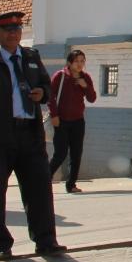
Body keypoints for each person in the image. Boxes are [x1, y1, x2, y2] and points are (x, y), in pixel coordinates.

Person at [0, 12, 66, 259]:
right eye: (8, 29)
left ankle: (46, 241)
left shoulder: (31, 57)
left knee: (39, 190)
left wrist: (41, 93)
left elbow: (47, 87)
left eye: (18, 28)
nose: (14, 33)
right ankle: (1, 245)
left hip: (29, 135)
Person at [48, 49, 96, 194]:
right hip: (61, 121)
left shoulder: (85, 77)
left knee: (76, 153)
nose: (80, 64)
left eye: (82, 61)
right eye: (77, 61)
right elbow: (50, 97)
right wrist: (54, 115)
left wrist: (85, 86)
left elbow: (92, 98)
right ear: (69, 63)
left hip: (78, 121)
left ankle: (71, 184)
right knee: (60, 153)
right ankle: (44, 180)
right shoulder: (60, 76)